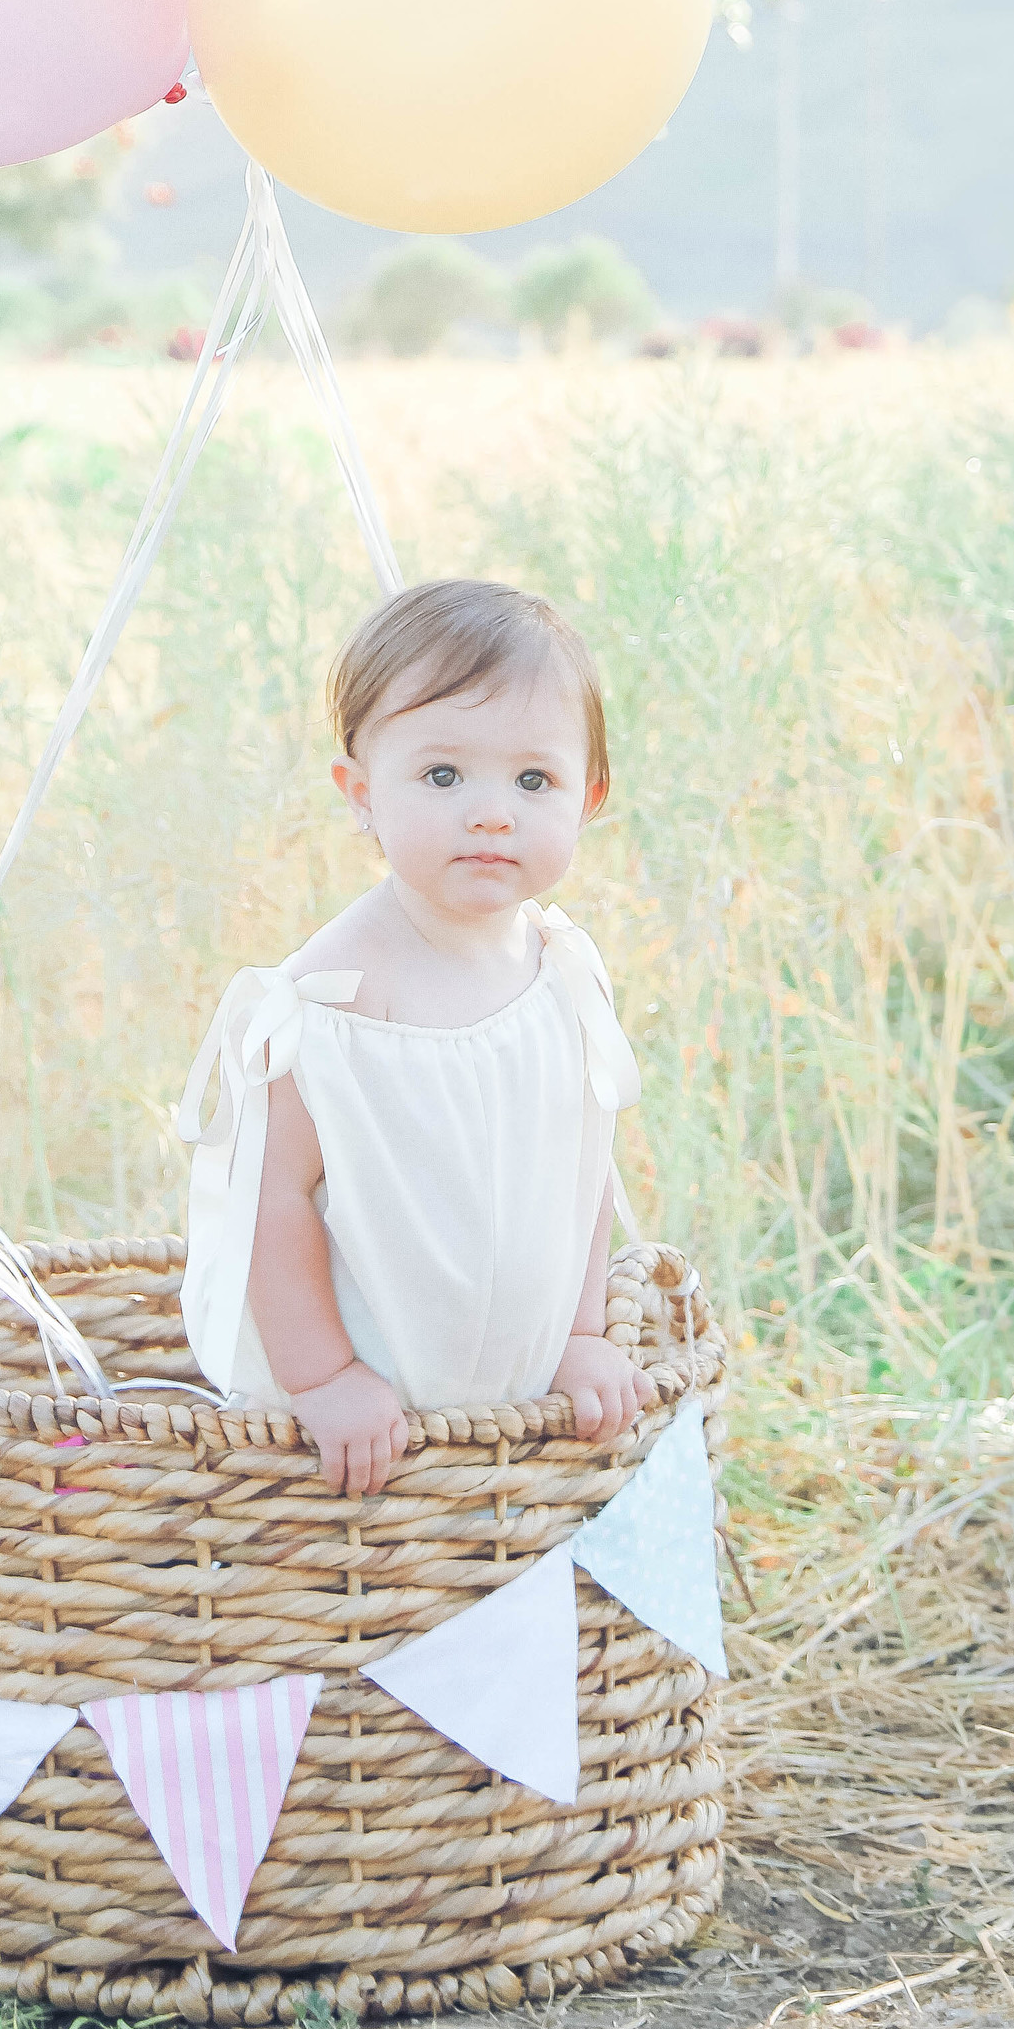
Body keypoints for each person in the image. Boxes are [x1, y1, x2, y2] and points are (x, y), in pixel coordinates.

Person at [176, 578, 654, 1496]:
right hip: (363, 1413)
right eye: (443, 776)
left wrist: (581, 1334)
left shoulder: (562, 972)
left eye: (534, 780)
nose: (491, 812)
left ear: (588, 798)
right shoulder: (328, 1004)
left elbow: (580, 1166)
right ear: (361, 794)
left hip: (513, 1406)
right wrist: (324, 1378)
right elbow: (268, 1202)